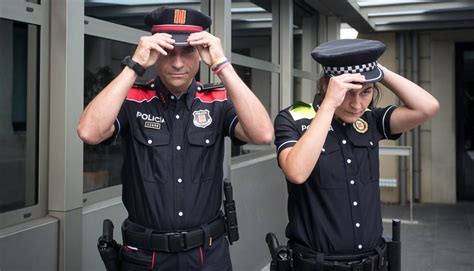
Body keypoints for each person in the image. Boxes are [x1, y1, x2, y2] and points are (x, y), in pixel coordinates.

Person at [77, 6, 273, 271]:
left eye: (188, 52)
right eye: (169, 52)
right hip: (145, 257)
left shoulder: (216, 100)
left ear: (200, 54)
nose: (178, 63)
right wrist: (133, 66)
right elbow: (89, 131)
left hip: (208, 255)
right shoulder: (134, 99)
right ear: (155, 53)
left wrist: (222, 65)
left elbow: (263, 134)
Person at [273, 39, 439, 270]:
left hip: (373, 261)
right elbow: (296, 172)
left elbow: (428, 107)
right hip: (317, 264)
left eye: (366, 92)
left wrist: (379, 71)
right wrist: (330, 104)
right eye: (348, 93)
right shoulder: (293, 119)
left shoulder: (370, 120)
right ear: (325, 86)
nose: (357, 104)